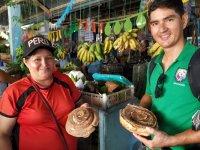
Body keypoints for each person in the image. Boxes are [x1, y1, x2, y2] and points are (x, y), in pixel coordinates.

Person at [0, 35, 89, 150]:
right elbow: (3, 134)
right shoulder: (14, 92)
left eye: (49, 58)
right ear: (26, 62)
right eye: (37, 59)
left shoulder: (65, 81)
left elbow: (79, 103)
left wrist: (84, 109)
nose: (45, 64)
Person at [133, 0, 200, 150]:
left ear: (183, 20)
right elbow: (148, 96)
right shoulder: (153, 65)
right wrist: (137, 115)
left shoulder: (197, 62)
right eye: (155, 23)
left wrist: (170, 140)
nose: (162, 29)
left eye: (169, 20)